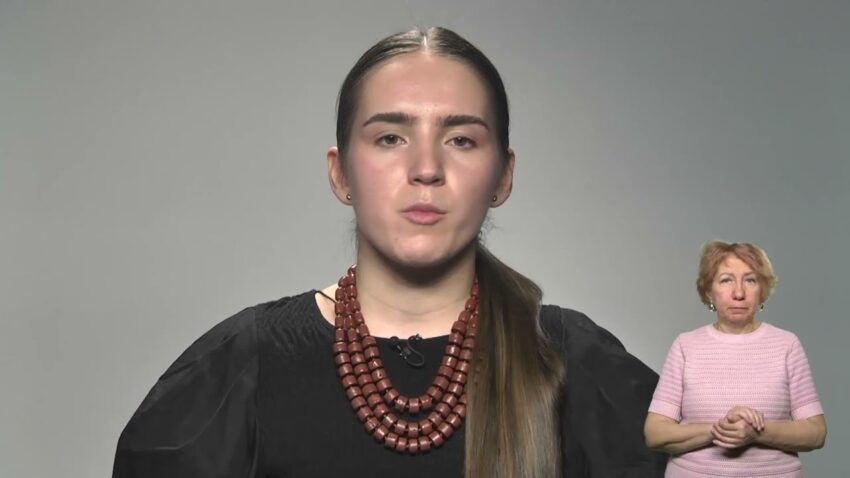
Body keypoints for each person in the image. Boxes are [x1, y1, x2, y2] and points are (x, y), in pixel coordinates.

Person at [113, 27, 665, 478]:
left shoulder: (574, 363)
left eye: (461, 140)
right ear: (340, 173)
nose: (426, 169)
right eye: (390, 138)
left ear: (503, 176)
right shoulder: (245, 366)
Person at [644, 241, 827, 477]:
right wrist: (720, 429)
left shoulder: (787, 345)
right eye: (726, 280)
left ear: (762, 290)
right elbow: (655, 433)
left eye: (750, 280)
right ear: (709, 291)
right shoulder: (685, 346)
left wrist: (757, 432)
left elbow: (816, 433)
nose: (739, 293)